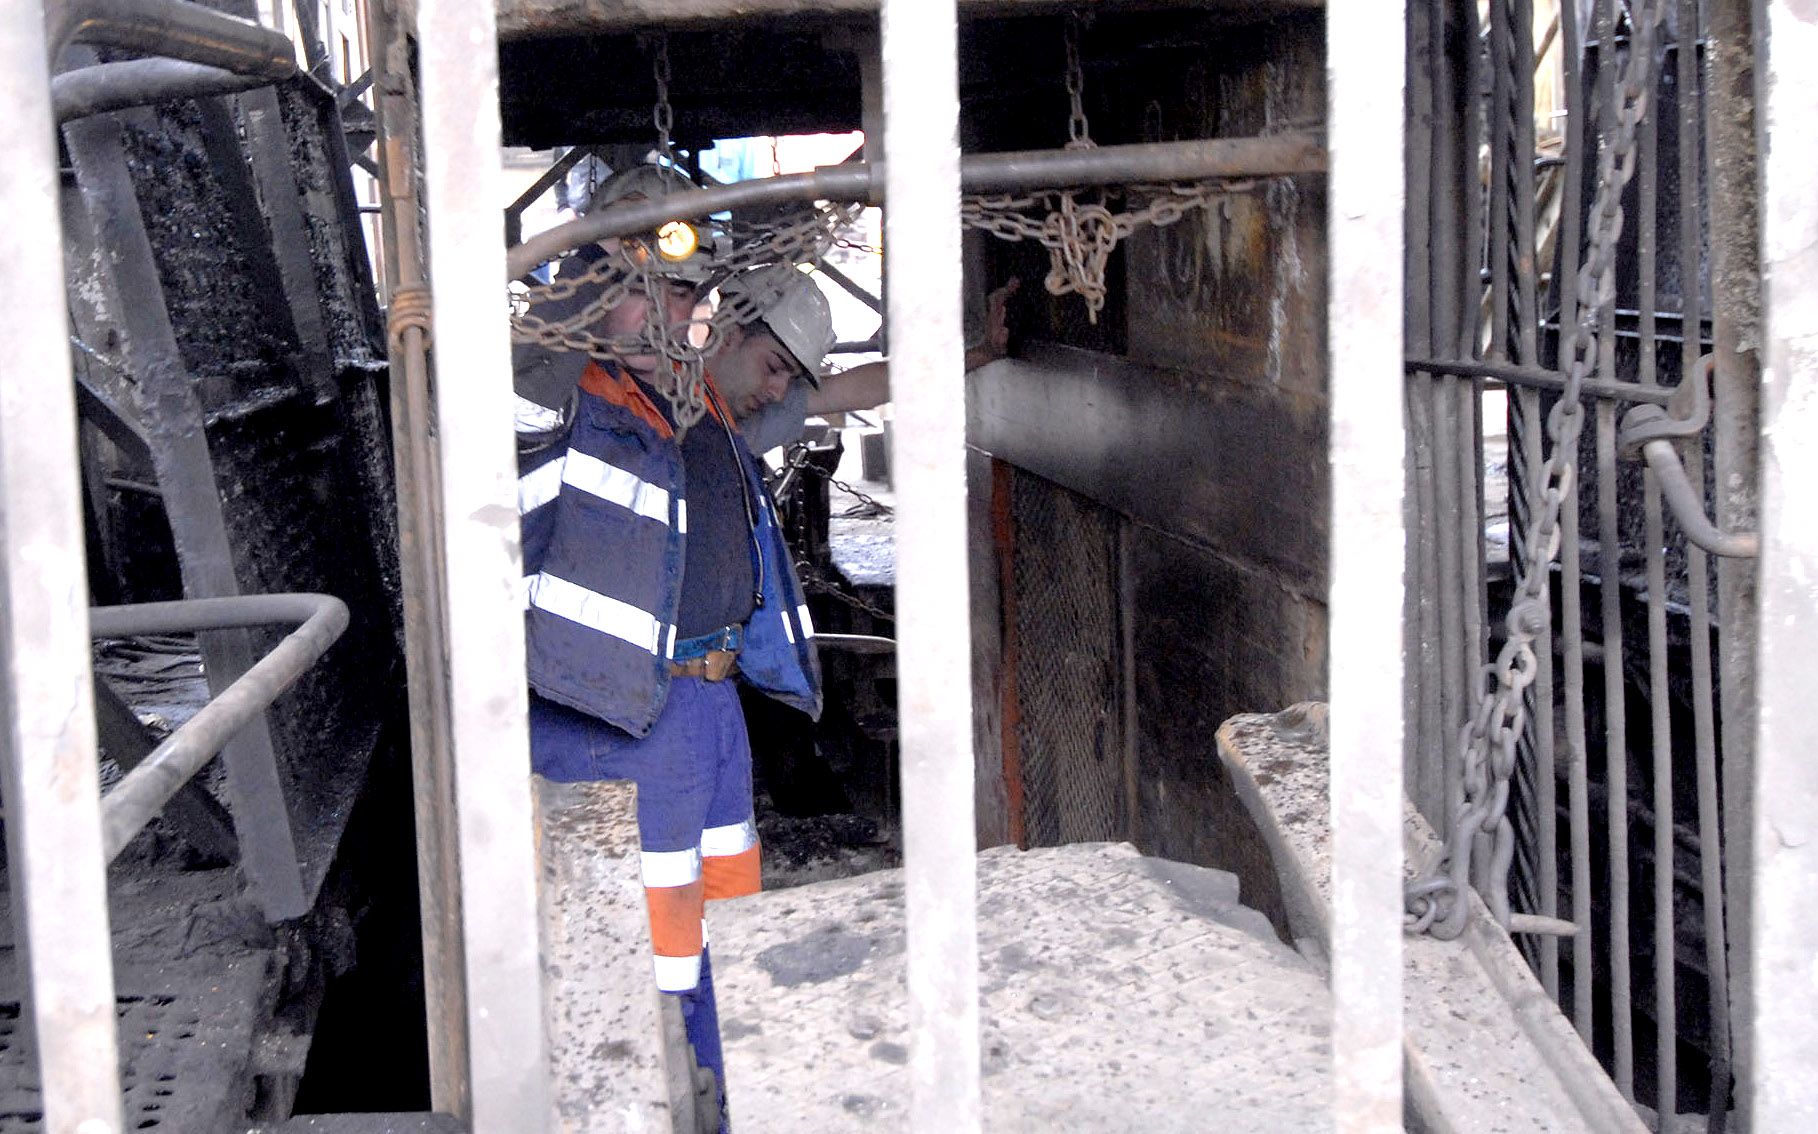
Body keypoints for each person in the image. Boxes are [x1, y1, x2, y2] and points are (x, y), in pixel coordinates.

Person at [513, 165, 820, 1132]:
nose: (674, 310)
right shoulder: (553, 391)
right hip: (614, 718)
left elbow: (811, 393)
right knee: (642, 946)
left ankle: (715, 1095)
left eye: (687, 290)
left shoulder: (680, 404)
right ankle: (642, 1108)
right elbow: (541, 329)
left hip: (704, 710)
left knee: (723, 920)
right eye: (654, 283)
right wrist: (604, 257)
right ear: (600, 283)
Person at [721, 273, 1021, 454]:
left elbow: (865, 387)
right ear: (730, 335)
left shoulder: (759, 415)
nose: (779, 391)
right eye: (774, 367)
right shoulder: (676, 411)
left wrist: (983, 354)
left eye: (790, 378)